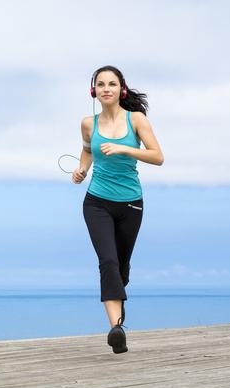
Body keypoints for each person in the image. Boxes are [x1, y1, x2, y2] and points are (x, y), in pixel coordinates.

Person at [72, 65, 164, 354]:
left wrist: (124, 148)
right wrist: (82, 170)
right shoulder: (89, 123)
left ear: (121, 89)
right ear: (94, 91)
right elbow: (88, 149)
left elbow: (157, 157)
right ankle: (116, 329)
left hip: (131, 204)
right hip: (96, 202)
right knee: (108, 262)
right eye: (101, 84)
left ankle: (118, 311)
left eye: (112, 83)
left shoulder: (136, 119)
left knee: (121, 268)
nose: (106, 88)